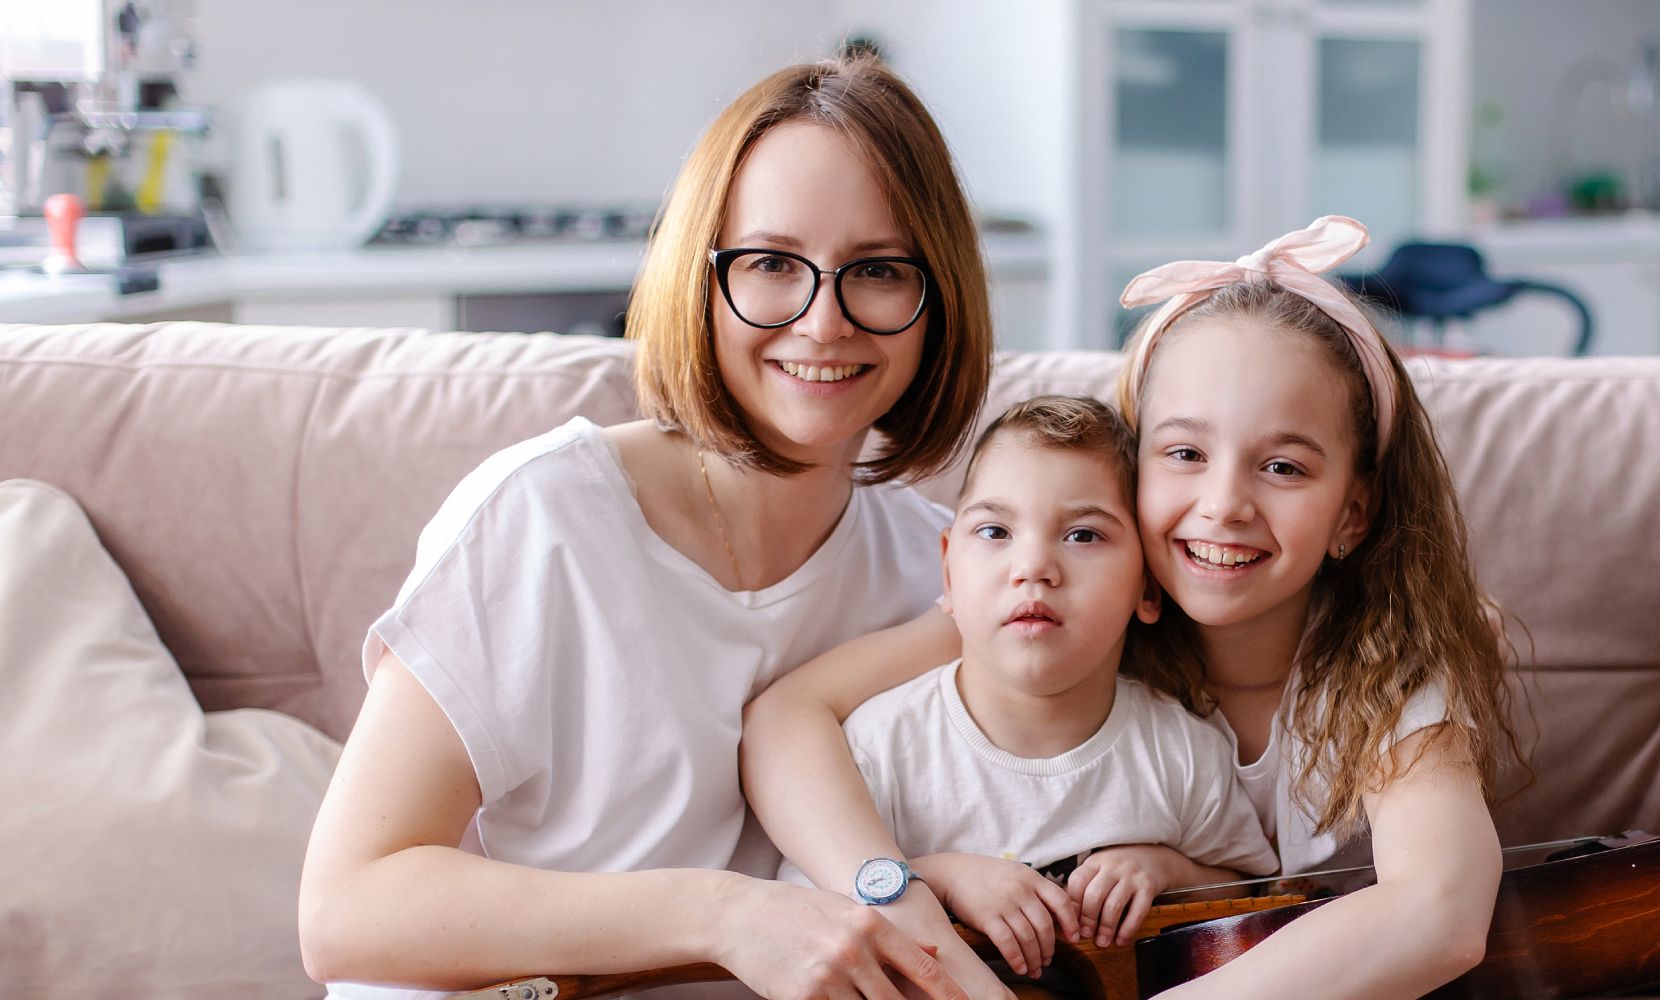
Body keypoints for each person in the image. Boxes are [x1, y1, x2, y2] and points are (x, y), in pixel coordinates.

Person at [298, 56, 999, 1000]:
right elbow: (346, 910)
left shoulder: (944, 569)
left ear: (937, 300)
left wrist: (926, 878)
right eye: (769, 264)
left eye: (876, 270)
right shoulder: (544, 518)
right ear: (701, 281)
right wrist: (724, 914)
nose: (822, 322)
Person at [742, 216, 1525, 1000]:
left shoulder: (1391, 662)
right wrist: (905, 885)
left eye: (1283, 466)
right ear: (1129, 469)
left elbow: (1442, 912)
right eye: (1184, 454)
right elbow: (788, 718)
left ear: (1353, 514)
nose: (1222, 506)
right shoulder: (1060, 612)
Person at [769, 396, 1276, 981]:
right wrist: (937, 876)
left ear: (1150, 587)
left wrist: (1166, 868)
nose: (1033, 565)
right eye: (995, 530)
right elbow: (807, 922)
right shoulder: (881, 747)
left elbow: (1258, 898)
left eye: (1084, 535)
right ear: (949, 573)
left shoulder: (1183, 753)